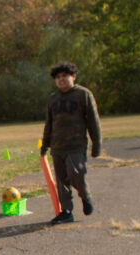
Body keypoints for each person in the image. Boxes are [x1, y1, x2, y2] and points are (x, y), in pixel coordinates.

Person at [40, 61, 102, 225]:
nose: (61, 80)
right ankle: (66, 211)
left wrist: (96, 145)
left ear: (73, 76)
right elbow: (49, 124)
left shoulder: (83, 94)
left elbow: (93, 122)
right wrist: (45, 145)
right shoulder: (53, 99)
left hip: (76, 146)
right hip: (57, 146)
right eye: (58, 77)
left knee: (76, 174)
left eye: (64, 76)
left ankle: (85, 195)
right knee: (61, 182)